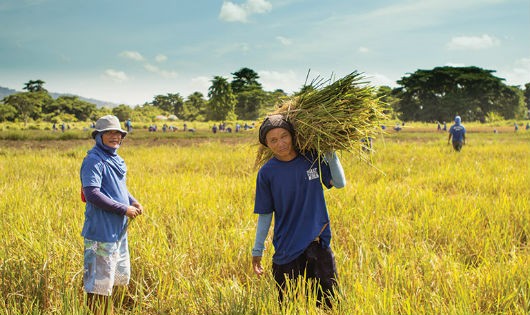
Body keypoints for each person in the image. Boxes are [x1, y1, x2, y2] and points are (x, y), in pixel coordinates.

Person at [251, 114, 346, 309]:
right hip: (287, 248)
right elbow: (265, 214)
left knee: (329, 305)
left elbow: (339, 183)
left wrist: (330, 152)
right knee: (288, 306)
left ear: (293, 135)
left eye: (284, 136)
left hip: (317, 244)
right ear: (267, 145)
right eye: (273, 140)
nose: (281, 143)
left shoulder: (310, 157)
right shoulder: (267, 173)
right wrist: (257, 249)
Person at [80, 115, 144, 314]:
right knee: (98, 285)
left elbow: (118, 187)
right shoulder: (94, 159)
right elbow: (92, 194)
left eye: (118, 133)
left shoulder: (114, 159)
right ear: (99, 136)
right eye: (109, 133)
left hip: (118, 230)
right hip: (101, 231)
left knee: (114, 279)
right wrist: (123, 208)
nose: (115, 136)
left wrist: (132, 200)